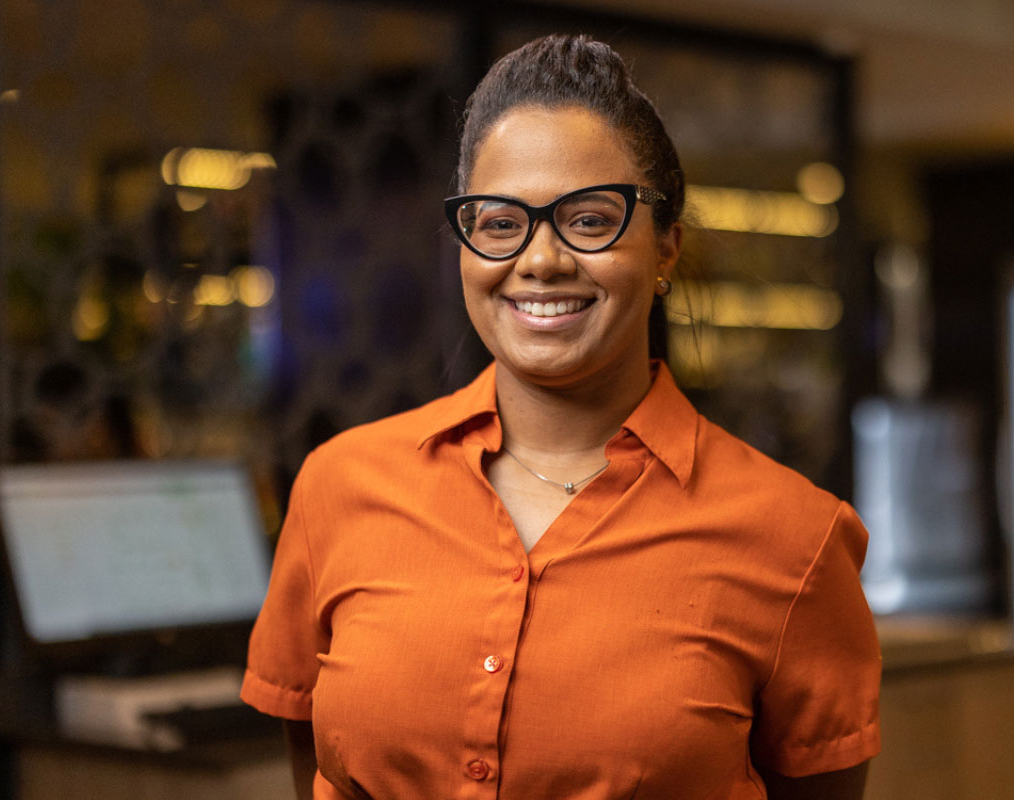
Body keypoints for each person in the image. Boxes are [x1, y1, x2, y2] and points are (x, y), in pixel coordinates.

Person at [241, 34, 881, 799]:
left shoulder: (794, 538)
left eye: (588, 218)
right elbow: (313, 765)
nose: (540, 259)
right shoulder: (338, 487)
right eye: (500, 222)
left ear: (667, 249)